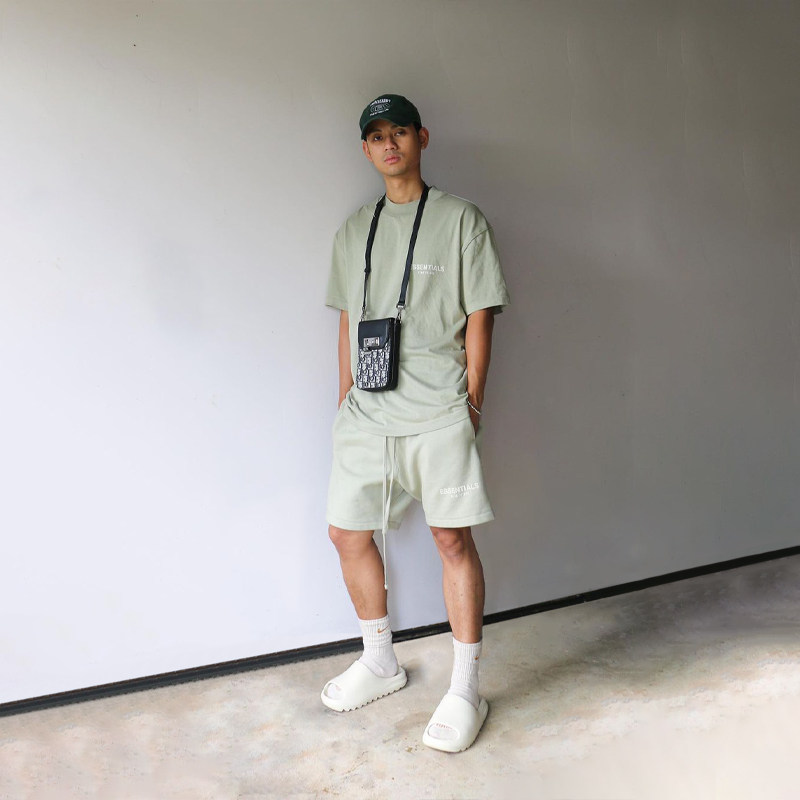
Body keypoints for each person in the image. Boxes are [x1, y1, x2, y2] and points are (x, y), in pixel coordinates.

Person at [322, 94, 509, 753]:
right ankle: (380, 660)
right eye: (377, 135)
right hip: (367, 413)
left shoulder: (461, 220)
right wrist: (344, 400)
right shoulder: (354, 230)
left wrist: (473, 401)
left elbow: (481, 313)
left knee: (450, 538)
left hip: (437, 409)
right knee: (347, 532)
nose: (389, 144)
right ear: (366, 149)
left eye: (399, 131)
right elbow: (348, 319)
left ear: (421, 138)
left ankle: (465, 687)